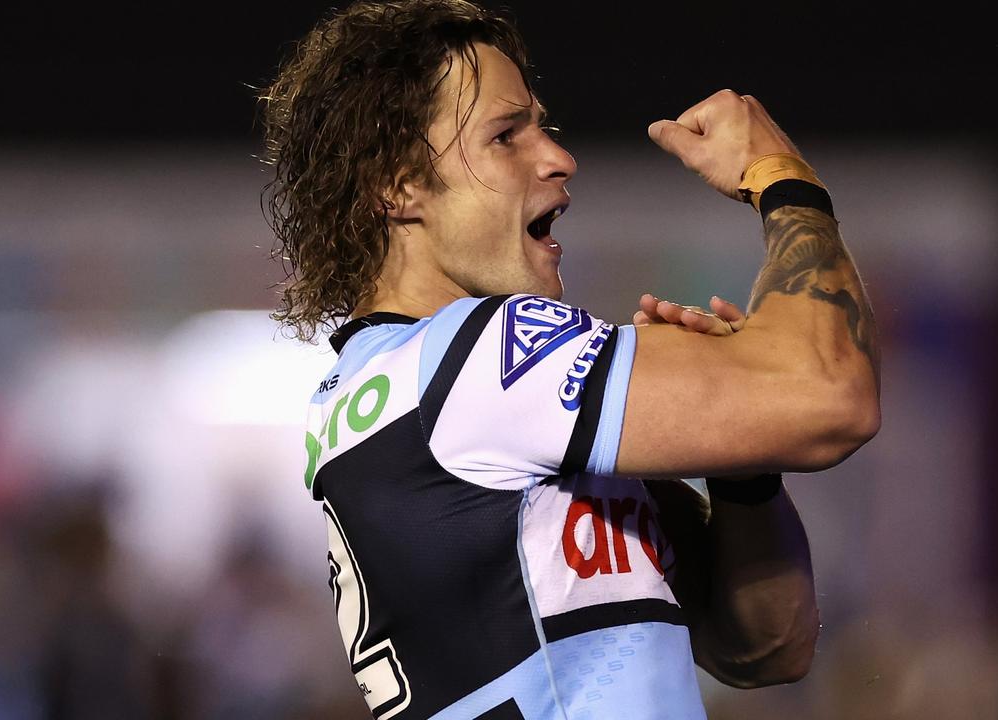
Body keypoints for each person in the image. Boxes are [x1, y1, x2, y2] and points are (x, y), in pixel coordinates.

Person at [260, 1, 880, 718]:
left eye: (540, 128)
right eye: (506, 135)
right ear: (397, 185)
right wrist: (782, 178)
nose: (558, 156)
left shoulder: (386, 388)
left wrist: (740, 469)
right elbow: (834, 396)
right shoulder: (482, 357)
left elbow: (763, 649)